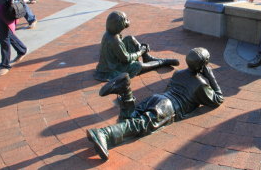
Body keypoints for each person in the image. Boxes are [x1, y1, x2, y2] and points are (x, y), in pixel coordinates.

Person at [87, 47, 224, 160]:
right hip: (170, 107)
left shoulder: (178, 73)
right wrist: (210, 76)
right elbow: (218, 99)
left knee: (130, 118)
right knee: (140, 125)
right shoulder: (201, 84)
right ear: (204, 64)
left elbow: (169, 88)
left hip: (158, 98)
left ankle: (126, 91)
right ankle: (104, 133)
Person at [94, 11, 179, 82]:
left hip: (114, 62)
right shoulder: (115, 41)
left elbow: (121, 49)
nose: (127, 22)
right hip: (113, 69)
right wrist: (140, 51)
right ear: (119, 24)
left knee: (130, 38)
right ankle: (161, 62)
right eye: (125, 20)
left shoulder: (109, 34)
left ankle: (147, 57)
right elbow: (126, 58)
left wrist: (141, 50)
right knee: (138, 65)